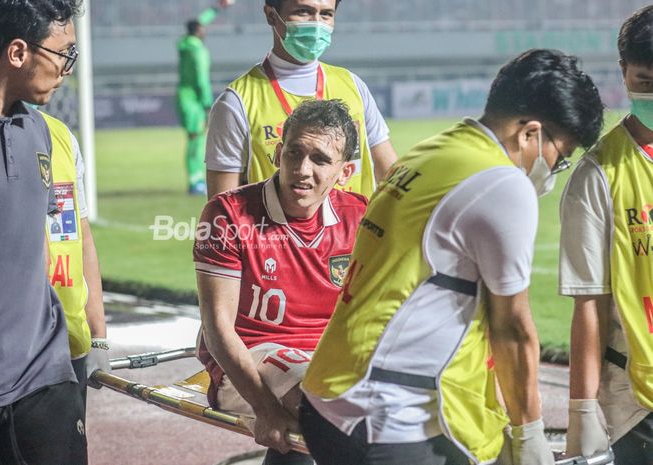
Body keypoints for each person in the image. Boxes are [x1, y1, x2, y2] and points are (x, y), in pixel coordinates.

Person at [300, 49, 604, 465]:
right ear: (530, 133)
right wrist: (529, 432)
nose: (556, 167)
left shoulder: (433, 151)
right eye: (559, 155)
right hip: (384, 417)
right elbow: (513, 326)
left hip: (334, 396)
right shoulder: (502, 183)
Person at [194, 99, 367, 465]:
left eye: (320, 159)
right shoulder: (227, 214)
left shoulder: (361, 215)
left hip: (326, 356)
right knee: (327, 408)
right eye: (294, 153)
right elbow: (217, 326)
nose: (302, 170)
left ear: (345, 170)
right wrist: (266, 409)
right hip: (250, 351)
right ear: (277, 154)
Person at [0, 1, 87, 464]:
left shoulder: (41, 132)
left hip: (43, 381)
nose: (68, 68)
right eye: (63, 53)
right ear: (17, 52)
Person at [561, 6, 653, 464]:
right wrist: (582, 412)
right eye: (645, 80)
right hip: (639, 402)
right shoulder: (599, 175)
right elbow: (589, 304)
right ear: (623, 72)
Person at [205, 0, 397, 199]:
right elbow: (221, 209)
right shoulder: (236, 102)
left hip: (353, 229)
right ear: (271, 15)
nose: (316, 24)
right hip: (275, 229)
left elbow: (391, 177)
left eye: (326, 14)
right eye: (303, 12)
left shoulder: (354, 86)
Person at [40, 111, 110, 411]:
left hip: (70, 344)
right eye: (59, 58)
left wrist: (98, 336)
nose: (65, 69)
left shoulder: (60, 135)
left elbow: (81, 235)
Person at [178, 0, 235, 195]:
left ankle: (195, 179)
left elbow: (198, 22)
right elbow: (202, 79)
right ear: (198, 31)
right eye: (203, 28)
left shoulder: (185, 43)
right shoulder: (198, 51)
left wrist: (216, 8)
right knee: (196, 140)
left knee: (194, 139)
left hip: (184, 96)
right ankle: (195, 181)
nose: (205, 30)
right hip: (194, 99)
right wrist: (207, 103)